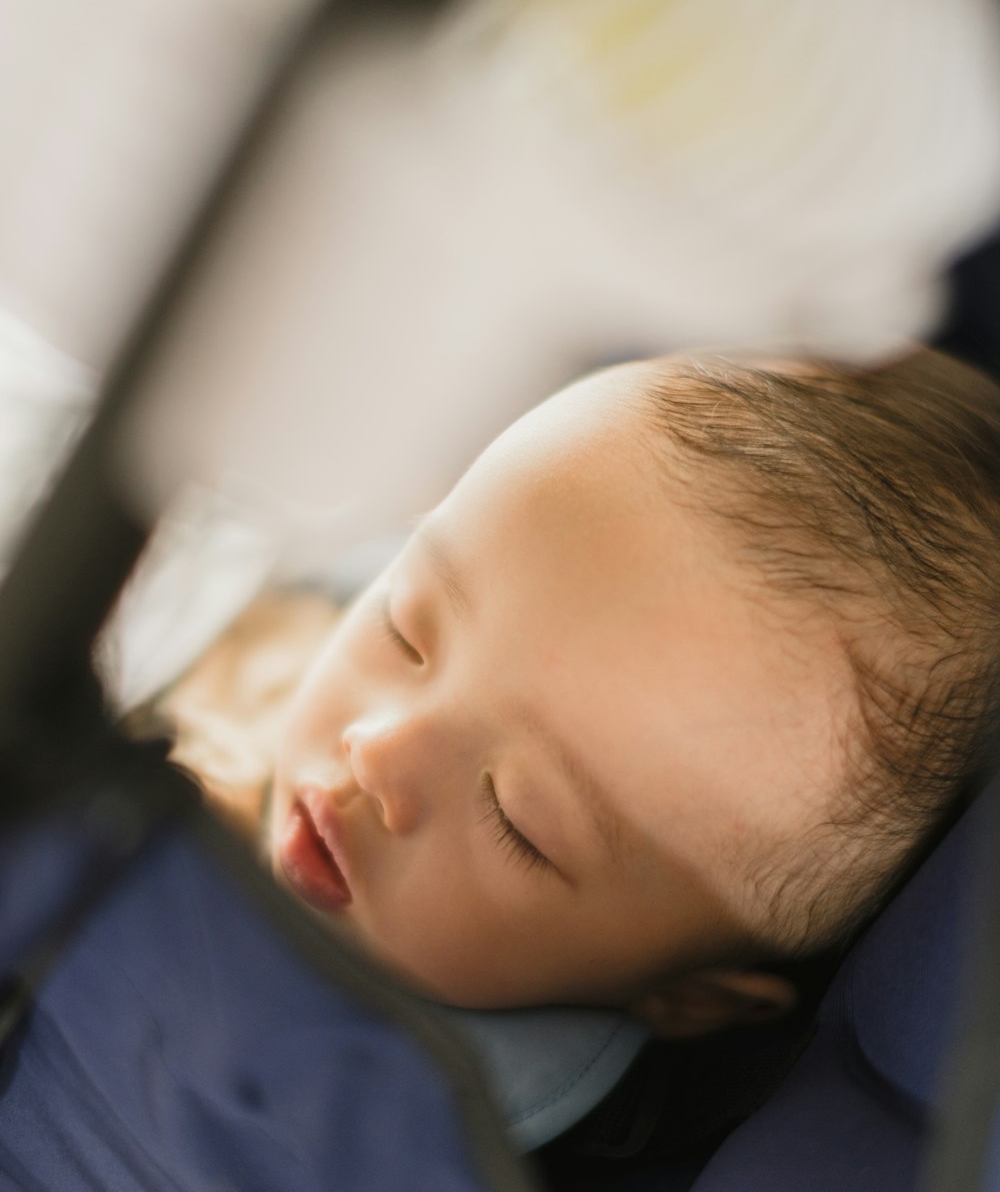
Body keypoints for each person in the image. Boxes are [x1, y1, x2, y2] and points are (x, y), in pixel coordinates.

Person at [142, 347, 1000, 1040]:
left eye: (517, 819)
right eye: (407, 630)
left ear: (687, 999)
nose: (377, 750)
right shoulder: (265, 587)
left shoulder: (351, 1155)